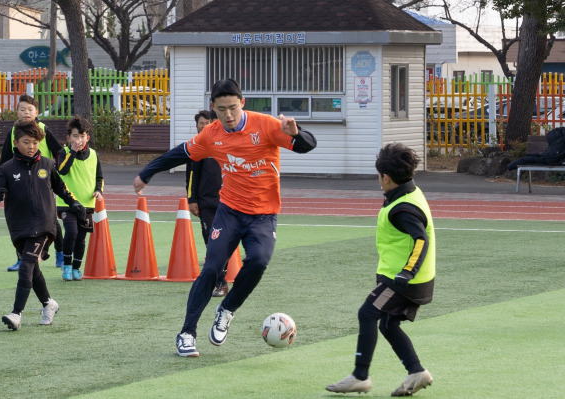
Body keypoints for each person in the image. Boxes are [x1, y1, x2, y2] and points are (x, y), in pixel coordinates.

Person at [133, 79, 317, 357]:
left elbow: (307, 146)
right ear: (213, 108)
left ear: (243, 103)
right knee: (211, 268)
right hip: (229, 211)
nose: (228, 115)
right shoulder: (211, 134)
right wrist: (147, 172)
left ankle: (227, 310)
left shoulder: (265, 125)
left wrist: (298, 132)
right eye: (221, 110)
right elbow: (180, 153)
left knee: (259, 261)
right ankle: (186, 334)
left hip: (264, 216)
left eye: (233, 108)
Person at [326, 143, 435, 396]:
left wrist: (407, 272)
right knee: (387, 324)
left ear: (386, 177)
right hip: (412, 276)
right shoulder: (408, 192)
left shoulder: (403, 208)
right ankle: (416, 372)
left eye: (379, 176)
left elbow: (421, 240)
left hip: (406, 280)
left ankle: (360, 376)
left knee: (367, 313)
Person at [0, 120, 86, 331]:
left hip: (44, 225)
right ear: (16, 143)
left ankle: (16, 313)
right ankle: (48, 303)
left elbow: (62, 189)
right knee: (32, 270)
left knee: (25, 265)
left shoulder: (48, 165)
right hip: (19, 227)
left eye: (34, 142)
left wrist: (74, 203)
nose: (31, 146)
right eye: (26, 142)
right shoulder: (7, 168)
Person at [0, 94, 65, 272]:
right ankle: (21, 258)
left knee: (51, 220)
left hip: (42, 181)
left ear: (36, 112)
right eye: (22, 109)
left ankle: (61, 251)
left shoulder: (44, 129)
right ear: (17, 112)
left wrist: (57, 169)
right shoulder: (13, 132)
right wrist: (0, 182)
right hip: (19, 181)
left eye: (30, 109)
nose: (26, 113)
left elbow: (59, 151)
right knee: (21, 221)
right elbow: (5, 158)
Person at [185, 110, 229, 297]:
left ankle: (221, 281)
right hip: (205, 203)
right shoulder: (196, 147)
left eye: (206, 122)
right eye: (200, 123)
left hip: (227, 201)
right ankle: (220, 281)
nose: (203, 126)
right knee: (211, 241)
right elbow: (191, 177)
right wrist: (192, 200)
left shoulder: (225, 142)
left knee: (224, 242)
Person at [56, 115, 104, 281]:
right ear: (69, 138)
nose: (79, 140)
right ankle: (67, 266)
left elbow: (99, 177)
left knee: (82, 238)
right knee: (71, 232)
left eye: (82, 136)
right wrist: (73, 151)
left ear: (87, 137)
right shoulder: (63, 153)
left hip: (87, 204)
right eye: (75, 136)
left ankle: (76, 268)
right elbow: (62, 170)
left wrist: (99, 191)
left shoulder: (94, 155)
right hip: (67, 203)